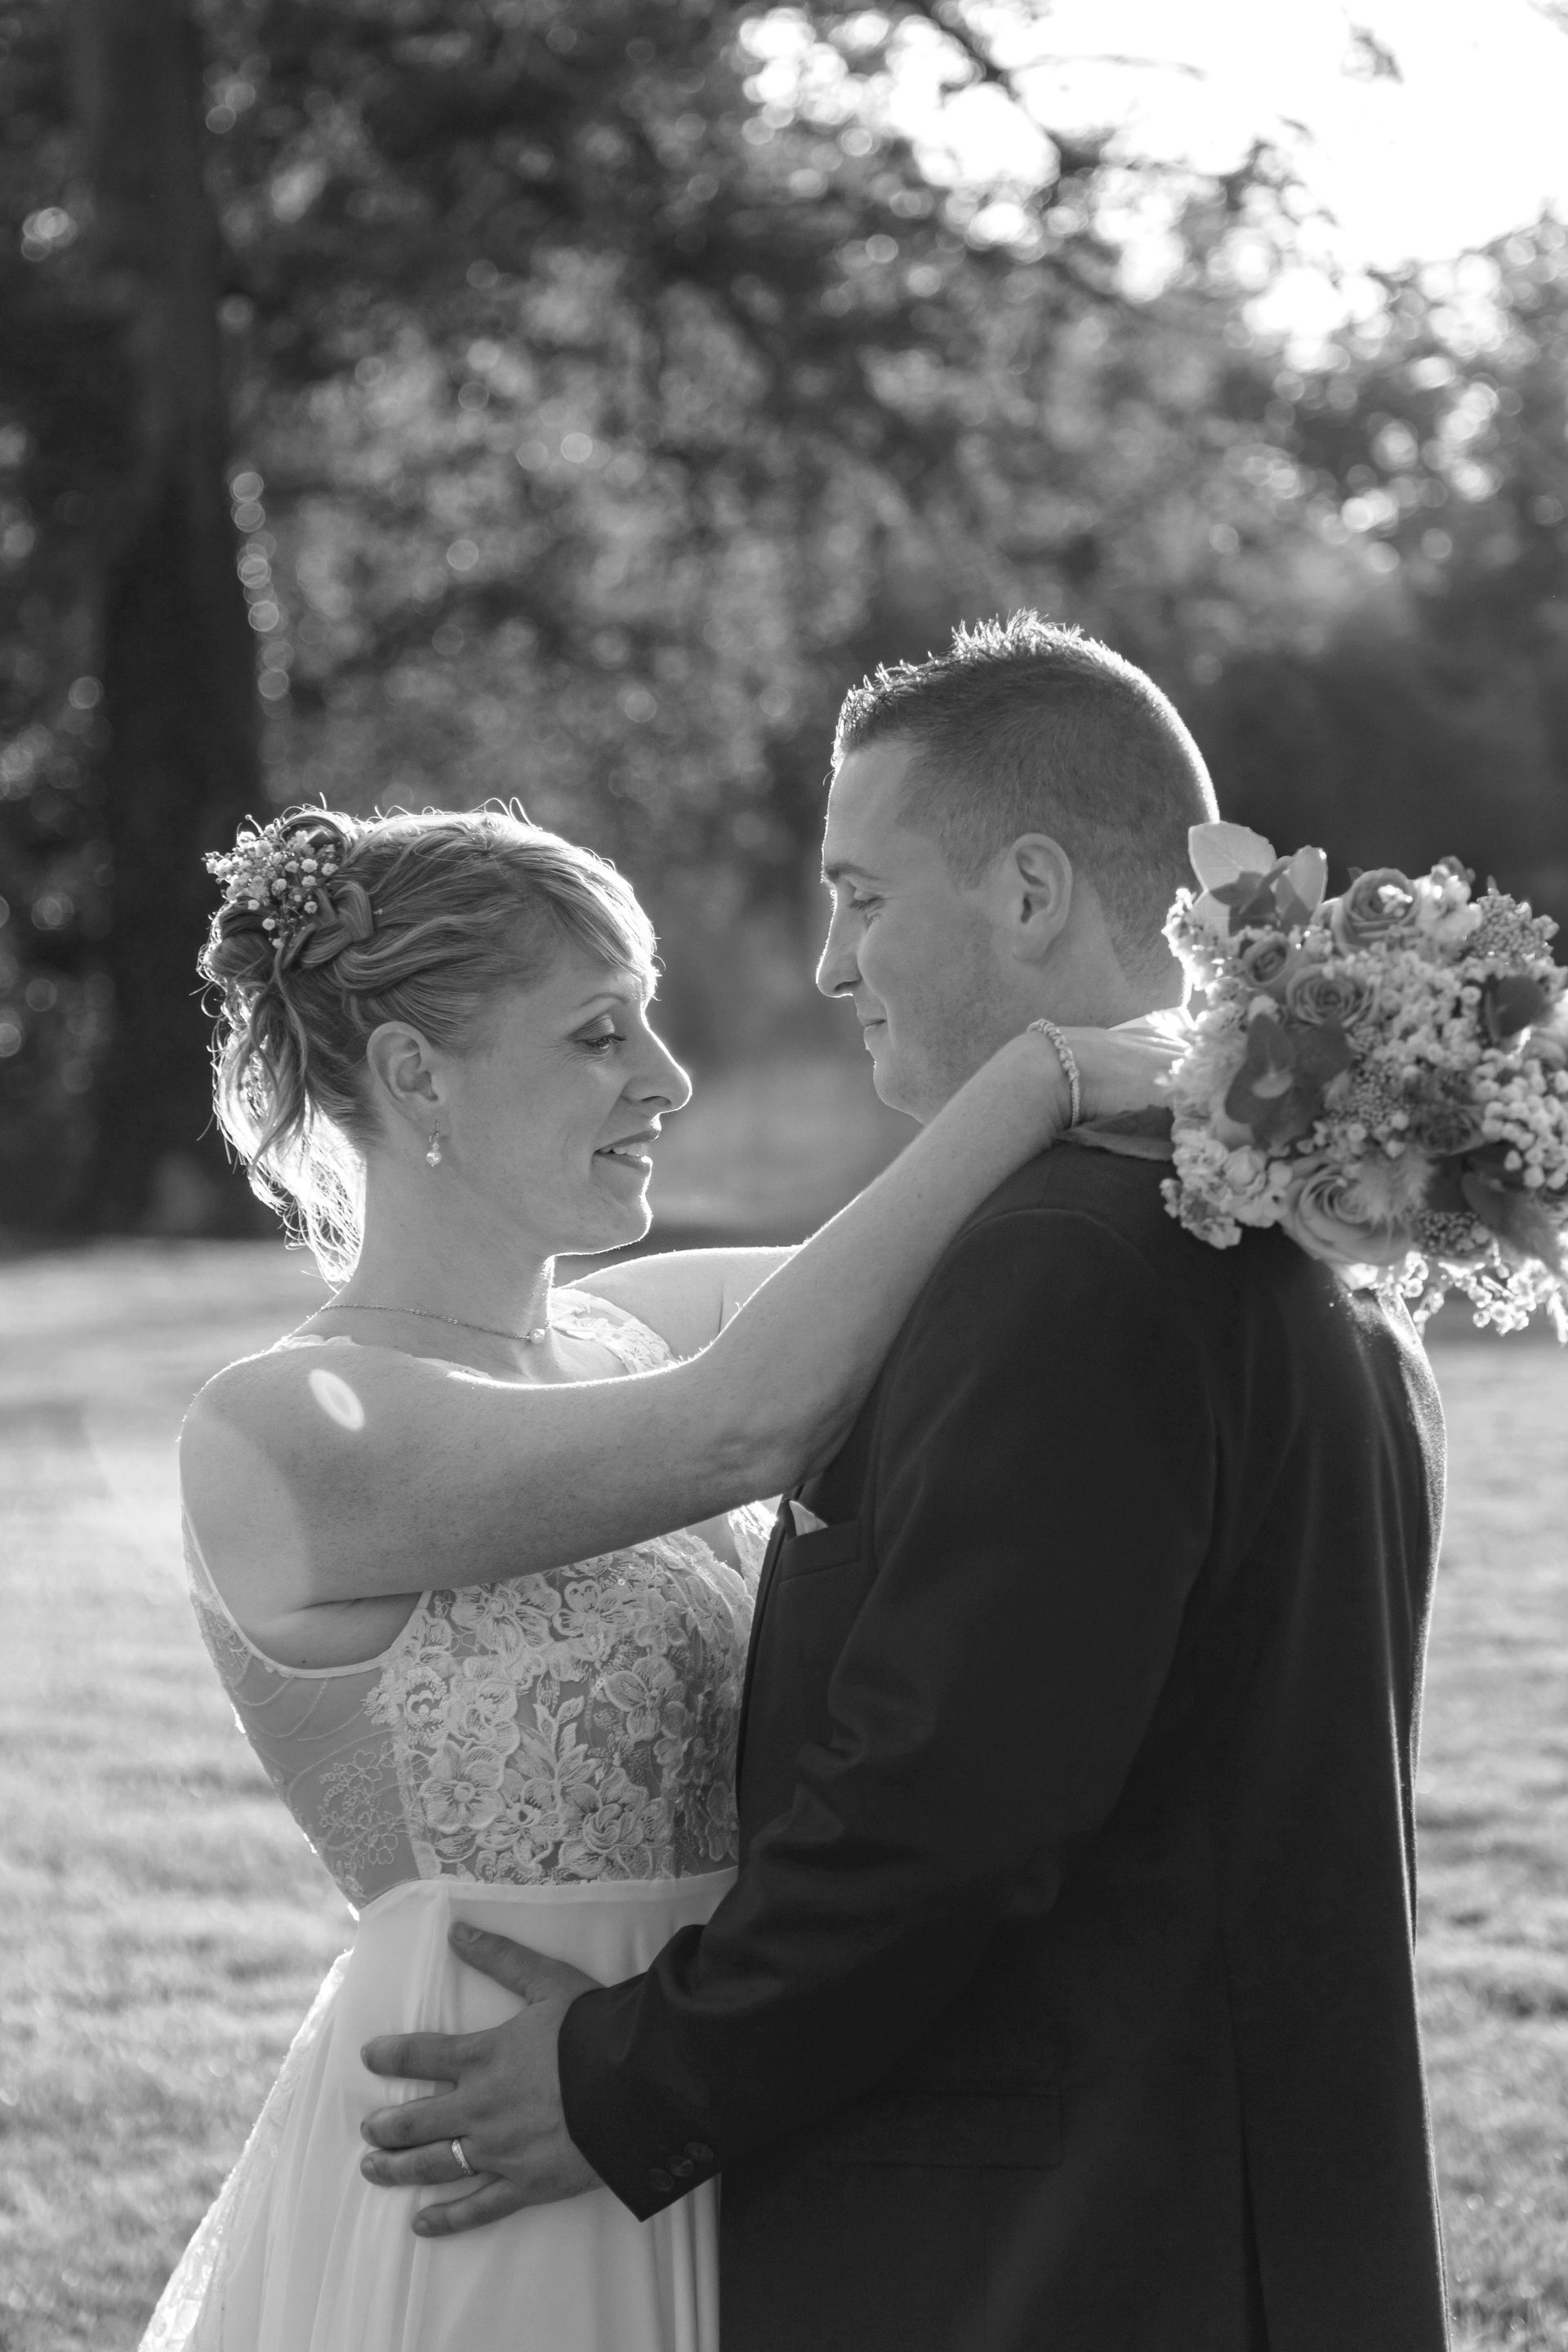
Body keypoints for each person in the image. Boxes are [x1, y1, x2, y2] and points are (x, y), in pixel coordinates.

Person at [359, 617, 1452, 2352]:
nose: (828, 963)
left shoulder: (1071, 1260)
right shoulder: (1295, 1222)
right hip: (1244, 2225)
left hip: (1056, 2255)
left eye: (863, 896)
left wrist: (629, 2080)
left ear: (1027, 895)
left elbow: (945, 1812)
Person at [139, 795, 1173, 2352]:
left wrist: (1274, 1095)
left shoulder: (634, 1329)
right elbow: (742, 1424)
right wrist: (1037, 1078)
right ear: (418, 1073)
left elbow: (980, 1282)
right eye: (598, 1036)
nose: (668, 1080)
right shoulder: (281, 1430)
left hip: (714, 2089)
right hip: (492, 2145)